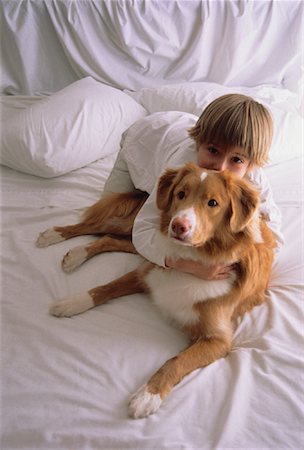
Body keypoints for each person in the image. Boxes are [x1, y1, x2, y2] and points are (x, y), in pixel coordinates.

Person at [104, 94, 284, 280]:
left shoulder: (254, 178)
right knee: (111, 212)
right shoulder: (181, 167)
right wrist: (186, 265)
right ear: (198, 144)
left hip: (177, 127)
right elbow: (141, 231)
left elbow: (274, 236)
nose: (221, 167)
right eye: (213, 151)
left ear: (251, 164)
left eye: (236, 159)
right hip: (143, 138)